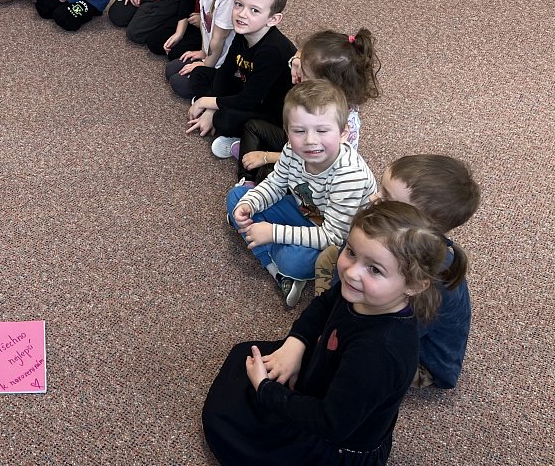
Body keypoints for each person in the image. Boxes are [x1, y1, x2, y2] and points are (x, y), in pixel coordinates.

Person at [203, 200, 460, 465]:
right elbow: (325, 304)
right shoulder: (362, 292)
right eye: (351, 251)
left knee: (228, 425)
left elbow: (330, 424)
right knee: (243, 361)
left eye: (374, 269)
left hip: (333, 445)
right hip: (327, 374)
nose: (351, 272)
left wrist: (265, 390)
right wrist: (296, 342)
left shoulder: (380, 353)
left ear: (414, 285)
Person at [315, 155, 480, 389]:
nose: (373, 198)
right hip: (384, 301)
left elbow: (398, 332)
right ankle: (333, 305)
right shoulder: (392, 236)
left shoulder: (430, 280)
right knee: (338, 258)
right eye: (381, 189)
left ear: (420, 223)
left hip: (421, 359)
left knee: (354, 359)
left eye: (387, 199)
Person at [228, 80, 378, 308]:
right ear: (287, 131)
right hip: (307, 213)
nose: (310, 141)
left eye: (322, 130)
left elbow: (334, 237)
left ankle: (277, 263)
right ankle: (277, 271)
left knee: (294, 262)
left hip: (339, 237)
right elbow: (276, 184)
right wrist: (250, 203)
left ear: (344, 132)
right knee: (237, 198)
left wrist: (273, 232)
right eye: (299, 131)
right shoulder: (291, 149)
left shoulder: (349, 175)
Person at [238, 28, 381, 183]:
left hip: (314, 166)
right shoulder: (325, 92)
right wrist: (297, 59)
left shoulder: (343, 121)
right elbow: (303, 54)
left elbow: (314, 158)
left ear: (327, 84)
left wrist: (266, 157)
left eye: (305, 75)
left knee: (268, 174)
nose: (298, 76)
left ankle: (255, 168)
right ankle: (246, 180)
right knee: (252, 126)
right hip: (298, 142)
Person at [185, 0, 294, 158]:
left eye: (254, 10)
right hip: (249, 90)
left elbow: (248, 100)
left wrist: (206, 102)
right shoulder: (244, 32)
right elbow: (225, 71)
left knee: (224, 119)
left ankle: (245, 139)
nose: (242, 14)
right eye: (238, 4)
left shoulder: (273, 50)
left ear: (273, 19)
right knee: (200, 74)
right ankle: (213, 113)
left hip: (270, 110)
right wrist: (211, 107)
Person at [164, 0, 250, 100]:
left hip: (225, 65)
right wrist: (203, 52)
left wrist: (204, 66)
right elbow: (206, 26)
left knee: (178, 83)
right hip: (213, 55)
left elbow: (218, 41)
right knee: (171, 69)